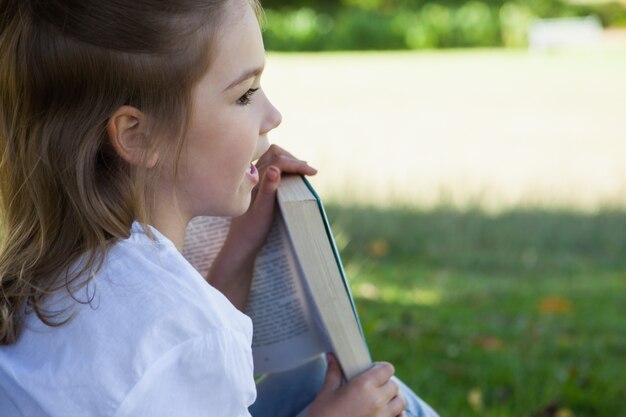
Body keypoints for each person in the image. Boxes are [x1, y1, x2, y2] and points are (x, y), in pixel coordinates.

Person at [0, 0, 439, 416]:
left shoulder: (53, 270)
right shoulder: (186, 333)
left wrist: (241, 245)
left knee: (313, 378)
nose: (273, 116)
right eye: (245, 95)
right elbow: (186, 347)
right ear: (137, 135)